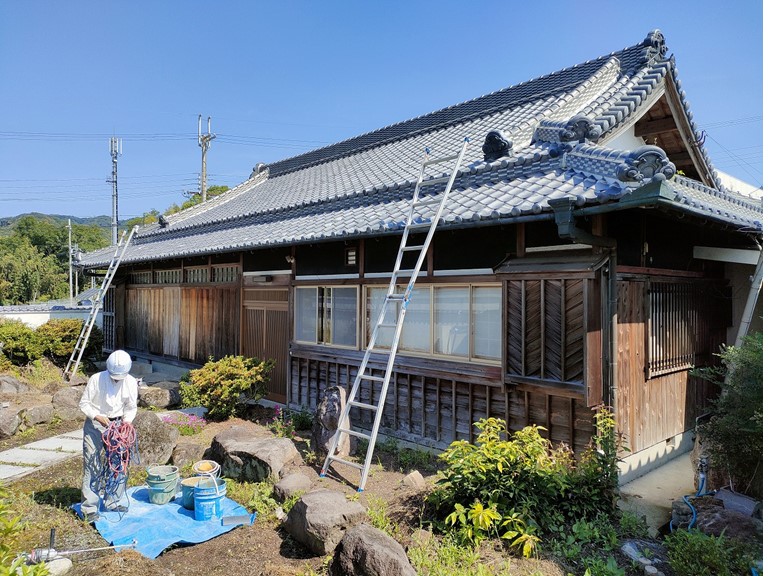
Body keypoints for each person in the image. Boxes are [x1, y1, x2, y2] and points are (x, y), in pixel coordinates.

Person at [78, 349, 138, 522]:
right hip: (95, 425)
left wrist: (126, 423)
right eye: (113, 376)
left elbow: (131, 406)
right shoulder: (96, 379)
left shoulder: (131, 382)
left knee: (118, 463)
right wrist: (97, 416)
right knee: (93, 463)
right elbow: (84, 403)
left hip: (119, 425)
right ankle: (89, 507)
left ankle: (113, 501)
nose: (116, 380)